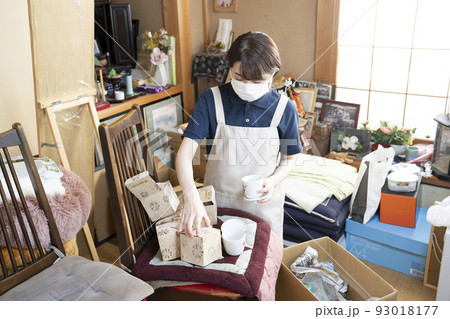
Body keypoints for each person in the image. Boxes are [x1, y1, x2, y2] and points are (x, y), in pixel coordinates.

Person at [176, 31, 302, 238]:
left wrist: (273, 181)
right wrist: (191, 196)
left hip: (263, 206)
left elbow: (289, 158)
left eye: (257, 81)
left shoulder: (284, 108)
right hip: (218, 205)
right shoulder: (211, 100)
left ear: (274, 73)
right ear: (230, 68)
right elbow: (184, 154)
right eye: (240, 77)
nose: (248, 87)